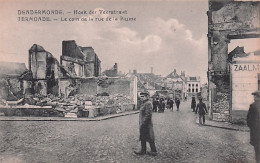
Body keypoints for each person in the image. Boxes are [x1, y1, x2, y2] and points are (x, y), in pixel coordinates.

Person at [134, 92, 157, 156]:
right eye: (141, 96)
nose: (141, 98)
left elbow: (148, 115)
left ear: (147, 97)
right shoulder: (144, 103)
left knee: (150, 137)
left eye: (143, 96)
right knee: (143, 137)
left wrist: (143, 123)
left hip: (147, 124)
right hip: (143, 123)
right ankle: (143, 150)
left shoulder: (148, 104)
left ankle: (154, 151)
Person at [247, 90, 260, 163]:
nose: (253, 98)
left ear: (257, 97)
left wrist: (251, 127)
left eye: (254, 96)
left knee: (257, 147)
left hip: (256, 131)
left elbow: (249, 119)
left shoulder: (253, 105)